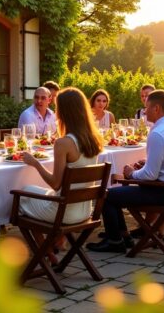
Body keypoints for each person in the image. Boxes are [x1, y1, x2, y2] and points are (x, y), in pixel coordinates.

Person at [87, 89, 164, 253]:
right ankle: (123, 236)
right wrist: (146, 163)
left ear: (156, 108)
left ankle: (114, 241)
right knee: (115, 192)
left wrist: (130, 173)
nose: (144, 111)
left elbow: (150, 175)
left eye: (147, 107)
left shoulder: (157, 133)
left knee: (107, 195)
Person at [18, 87, 103, 223]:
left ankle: (48, 244)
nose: (55, 112)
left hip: (63, 212)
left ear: (64, 112)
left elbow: (55, 184)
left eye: (58, 108)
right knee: (29, 189)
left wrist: (35, 163)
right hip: (85, 210)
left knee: (20, 196)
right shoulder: (94, 139)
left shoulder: (64, 143)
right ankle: (57, 241)